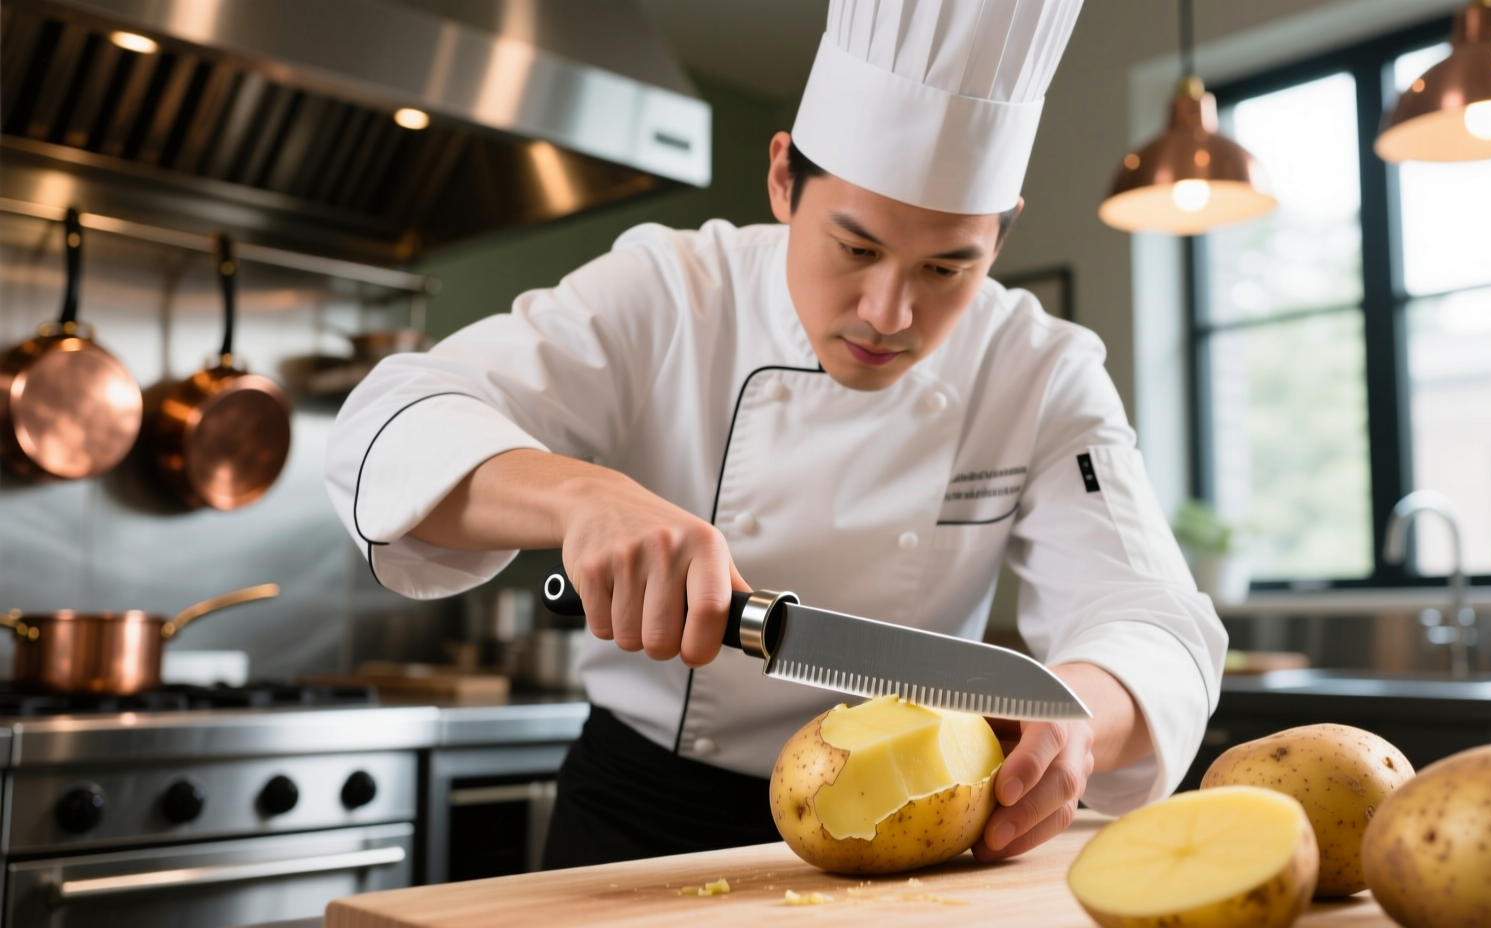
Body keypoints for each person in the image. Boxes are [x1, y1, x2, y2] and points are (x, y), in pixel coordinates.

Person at [326, 0, 1225, 870]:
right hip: (646, 817)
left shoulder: (1040, 367)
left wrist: (1079, 719)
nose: (890, 313)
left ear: (1004, 233)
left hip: (912, 829)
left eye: (949, 267)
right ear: (782, 178)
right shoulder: (670, 290)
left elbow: (1152, 618)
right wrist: (583, 496)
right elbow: (391, 423)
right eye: (857, 249)